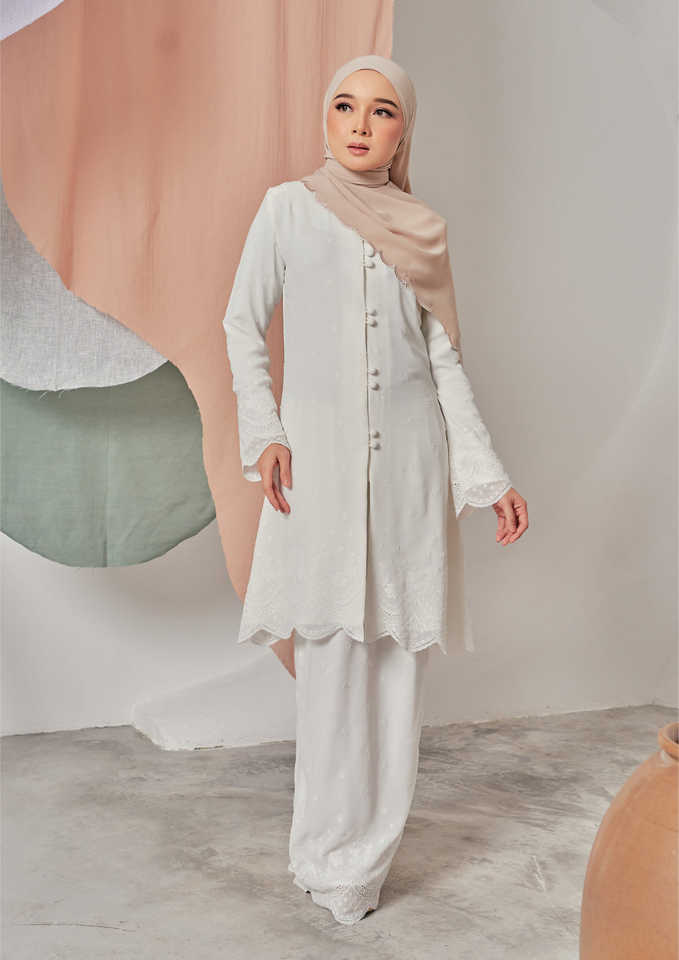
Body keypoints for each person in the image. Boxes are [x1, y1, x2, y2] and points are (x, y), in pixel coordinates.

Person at [223, 54, 528, 925]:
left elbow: (441, 360)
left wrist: (488, 476)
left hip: (410, 474)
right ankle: (320, 853)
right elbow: (242, 324)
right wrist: (266, 433)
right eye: (345, 106)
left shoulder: (422, 228)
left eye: (382, 111)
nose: (361, 124)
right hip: (316, 469)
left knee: (397, 675)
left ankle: (364, 866)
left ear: (404, 130)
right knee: (329, 666)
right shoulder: (286, 209)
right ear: (326, 118)